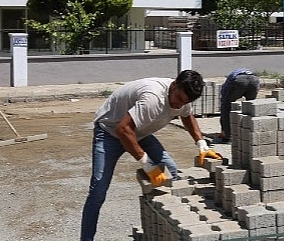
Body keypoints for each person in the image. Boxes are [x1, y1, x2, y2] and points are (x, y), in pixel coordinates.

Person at [80, 69, 223, 241]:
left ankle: (162, 226)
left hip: (140, 133)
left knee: (172, 172)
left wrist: (202, 144)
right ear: (174, 84)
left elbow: (187, 115)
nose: (179, 105)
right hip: (110, 132)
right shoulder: (153, 98)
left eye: (185, 102)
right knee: (98, 191)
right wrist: (147, 164)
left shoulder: (183, 97)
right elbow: (123, 130)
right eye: (178, 99)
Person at [218, 68, 260, 142]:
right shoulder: (237, 74)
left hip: (239, 80)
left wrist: (223, 129)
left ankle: (227, 136)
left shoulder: (226, 84)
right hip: (255, 79)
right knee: (251, 108)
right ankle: (251, 134)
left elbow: (224, 103)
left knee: (226, 107)